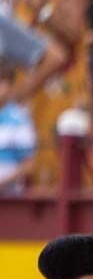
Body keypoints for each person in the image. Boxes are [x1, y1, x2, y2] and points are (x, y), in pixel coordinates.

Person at [9, 0, 91, 186]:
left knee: (59, 156)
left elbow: (74, 34)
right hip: (30, 83)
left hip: (62, 86)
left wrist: (43, 10)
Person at [0, 63, 36, 194]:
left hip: (10, 198)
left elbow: (28, 166)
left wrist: (2, 182)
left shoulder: (19, 119)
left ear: (9, 85)